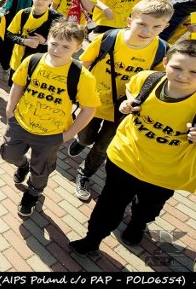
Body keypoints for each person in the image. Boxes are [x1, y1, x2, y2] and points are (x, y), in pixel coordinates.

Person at [69, 39, 196, 257]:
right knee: (109, 206)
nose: (183, 76)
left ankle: (138, 223)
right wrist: (125, 105)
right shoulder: (148, 79)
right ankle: (93, 239)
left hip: (165, 173)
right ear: (165, 62)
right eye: (176, 67)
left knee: (148, 207)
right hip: (125, 159)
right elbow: (131, 91)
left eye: (193, 72)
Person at [68, 0, 173, 201]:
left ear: (166, 26)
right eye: (142, 23)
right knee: (86, 137)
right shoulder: (108, 38)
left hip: (124, 110)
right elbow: (84, 64)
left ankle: (84, 173)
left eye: (156, 26)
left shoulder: (162, 51)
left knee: (102, 147)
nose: (147, 31)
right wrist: (75, 93)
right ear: (129, 20)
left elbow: (159, 82)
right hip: (94, 103)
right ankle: (82, 141)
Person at [0, 21, 101, 217]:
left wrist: (69, 134)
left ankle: (33, 193)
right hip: (20, 123)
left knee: (41, 170)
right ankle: (22, 165)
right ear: (47, 40)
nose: (57, 50)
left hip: (51, 134)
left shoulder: (81, 75)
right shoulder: (33, 61)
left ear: (78, 48)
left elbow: (89, 109)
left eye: (65, 47)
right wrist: (10, 110)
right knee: (8, 154)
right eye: (54, 43)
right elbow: (18, 85)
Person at [5, 0, 63, 84]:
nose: (40, 1)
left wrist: (45, 42)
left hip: (41, 63)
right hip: (19, 60)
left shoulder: (57, 18)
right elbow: (9, 34)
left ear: (51, 0)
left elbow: (62, 41)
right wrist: (24, 41)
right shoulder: (23, 13)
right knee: (15, 88)